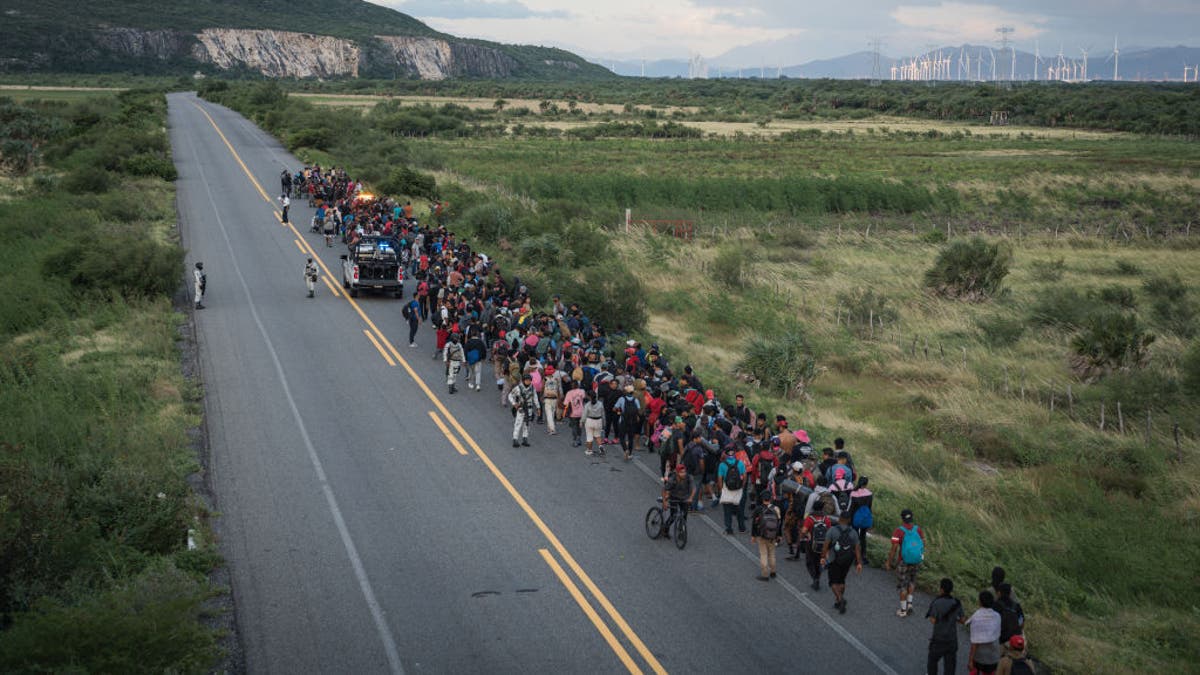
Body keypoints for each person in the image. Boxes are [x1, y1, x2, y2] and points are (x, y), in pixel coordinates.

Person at [885, 508, 927, 617]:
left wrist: (889, 562)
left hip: (903, 561)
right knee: (912, 581)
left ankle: (903, 611)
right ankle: (910, 604)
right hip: (916, 560)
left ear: (902, 518)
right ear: (912, 517)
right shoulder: (918, 529)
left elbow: (894, 548)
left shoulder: (899, 531)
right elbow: (923, 543)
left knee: (902, 585)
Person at [820, 510, 862, 613]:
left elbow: (825, 545)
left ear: (839, 519)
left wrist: (823, 557)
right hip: (848, 560)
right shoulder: (853, 532)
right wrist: (859, 562)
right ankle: (839, 599)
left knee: (833, 582)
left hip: (835, 560)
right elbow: (857, 548)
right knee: (842, 580)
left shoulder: (832, 530)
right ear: (849, 520)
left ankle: (840, 599)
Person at [925, 577, 965, 675]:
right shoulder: (957, 603)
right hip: (952, 640)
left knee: (932, 661)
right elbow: (962, 620)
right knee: (950, 667)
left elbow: (933, 620)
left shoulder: (937, 602)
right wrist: (954, 619)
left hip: (938, 639)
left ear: (941, 589)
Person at [967, 590, 1003, 674]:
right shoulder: (997, 616)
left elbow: (975, 642)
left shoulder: (977, 617)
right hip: (993, 656)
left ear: (980, 602)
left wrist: (970, 660)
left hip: (979, 657)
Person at [751, 490, 782, 581]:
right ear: (770, 498)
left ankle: (765, 575)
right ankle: (773, 572)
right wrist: (779, 535)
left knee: (763, 554)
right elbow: (779, 523)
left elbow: (754, 523)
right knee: (772, 553)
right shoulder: (776, 509)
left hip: (761, 535)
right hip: (773, 535)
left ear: (762, 499)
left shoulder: (758, 509)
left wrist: (753, 536)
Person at [716, 448, 746, 534]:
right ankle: (742, 528)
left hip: (727, 488)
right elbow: (744, 476)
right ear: (735, 454)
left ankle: (729, 528)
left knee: (727, 510)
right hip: (738, 489)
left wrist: (721, 489)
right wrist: (742, 486)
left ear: (726, 455)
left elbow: (719, 478)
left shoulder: (722, 465)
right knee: (739, 510)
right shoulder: (740, 463)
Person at [660, 464, 693, 537]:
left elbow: (693, 489)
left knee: (684, 516)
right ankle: (665, 529)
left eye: (684, 472)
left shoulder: (688, 477)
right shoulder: (672, 480)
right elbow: (664, 489)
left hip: (684, 497)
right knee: (673, 515)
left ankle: (681, 532)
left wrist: (690, 498)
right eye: (681, 472)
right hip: (674, 497)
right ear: (677, 473)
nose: (683, 474)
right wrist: (664, 502)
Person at [508, 373, 538, 448]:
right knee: (518, 424)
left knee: (527, 424)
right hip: (521, 408)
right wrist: (514, 404)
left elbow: (535, 398)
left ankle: (525, 439)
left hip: (529, 408)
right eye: (527, 380)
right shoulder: (518, 388)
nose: (528, 382)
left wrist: (538, 407)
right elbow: (510, 396)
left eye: (529, 380)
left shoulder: (532, 388)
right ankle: (515, 439)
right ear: (523, 380)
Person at [849, 476, 874, 564]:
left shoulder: (853, 493)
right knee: (863, 537)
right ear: (866, 484)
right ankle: (863, 556)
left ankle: (854, 556)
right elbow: (869, 507)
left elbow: (851, 508)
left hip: (855, 518)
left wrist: (849, 518)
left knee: (854, 537)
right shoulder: (870, 494)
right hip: (865, 518)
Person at [614, 385, 641, 460]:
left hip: (623, 420)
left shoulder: (621, 399)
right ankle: (630, 453)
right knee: (630, 438)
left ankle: (625, 449)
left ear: (625, 392)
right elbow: (638, 410)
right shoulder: (636, 400)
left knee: (622, 437)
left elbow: (614, 408)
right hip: (633, 421)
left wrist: (619, 411)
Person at [562, 380, 586, 448]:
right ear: (578, 385)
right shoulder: (582, 391)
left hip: (572, 413)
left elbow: (565, 404)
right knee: (579, 426)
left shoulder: (569, 393)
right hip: (581, 412)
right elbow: (584, 398)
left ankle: (575, 440)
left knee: (574, 427)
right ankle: (579, 439)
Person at [540, 366, 561, 434]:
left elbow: (542, 388)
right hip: (554, 398)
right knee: (551, 413)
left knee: (549, 414)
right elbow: (558, 389)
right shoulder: (556, 379)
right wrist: (559, 397)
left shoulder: (545, 379)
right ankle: (550, 428)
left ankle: (552, 429)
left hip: (547, 398)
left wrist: (541, 396)